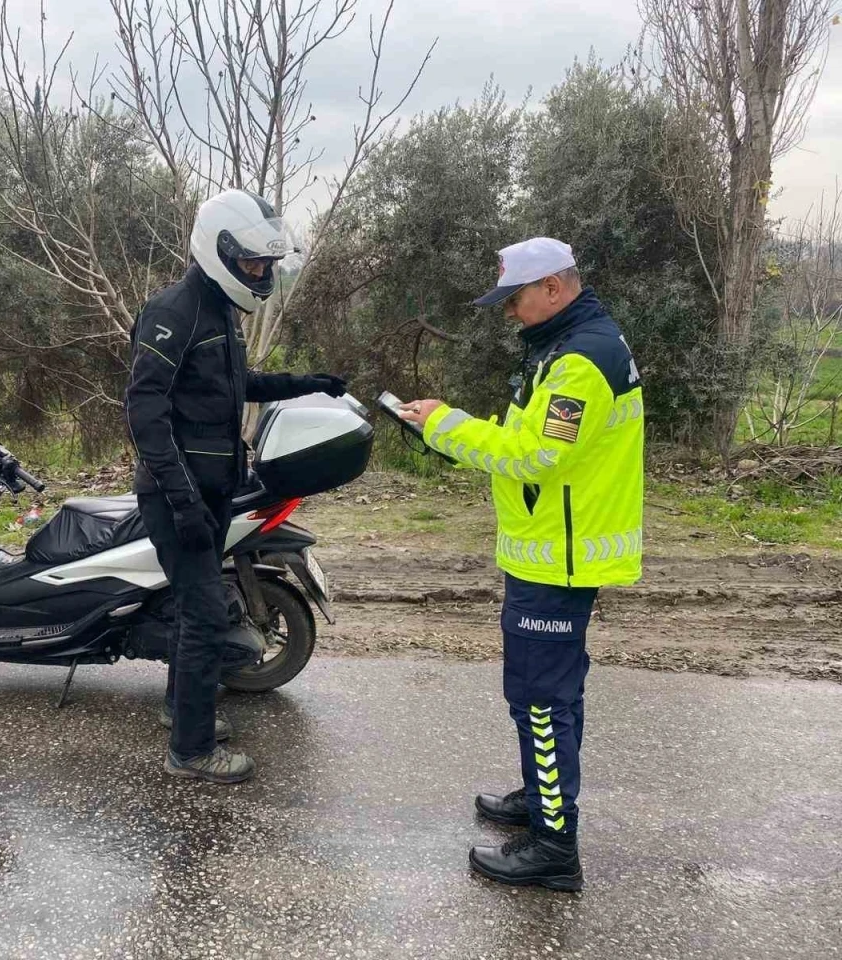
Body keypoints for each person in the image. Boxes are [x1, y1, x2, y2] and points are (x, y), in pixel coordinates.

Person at [400, 237, 644, 891]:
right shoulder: (564, 349)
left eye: (516, 299)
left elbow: (538, 456)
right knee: (547, 697)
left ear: (555, 290)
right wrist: (445, 433)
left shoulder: (584, 361)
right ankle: (544, 800)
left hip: (558, 560)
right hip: (548, 550)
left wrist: (445, 424)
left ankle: (554, 849)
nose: (509, 312)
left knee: (541, 702)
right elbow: (519, 441)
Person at [124, 188, 347, 785]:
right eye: (252, 263)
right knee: (202, 615)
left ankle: (181, 708)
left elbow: (233, 382)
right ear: (216, 250)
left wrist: (306, 384)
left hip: (214, 489)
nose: (260, 273)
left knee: (194, 608)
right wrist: (181, 499)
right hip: (180, 497)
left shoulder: (221, 308)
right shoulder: (172, 311)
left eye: (266, 264)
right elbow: (145, 410)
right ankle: (190, 750)